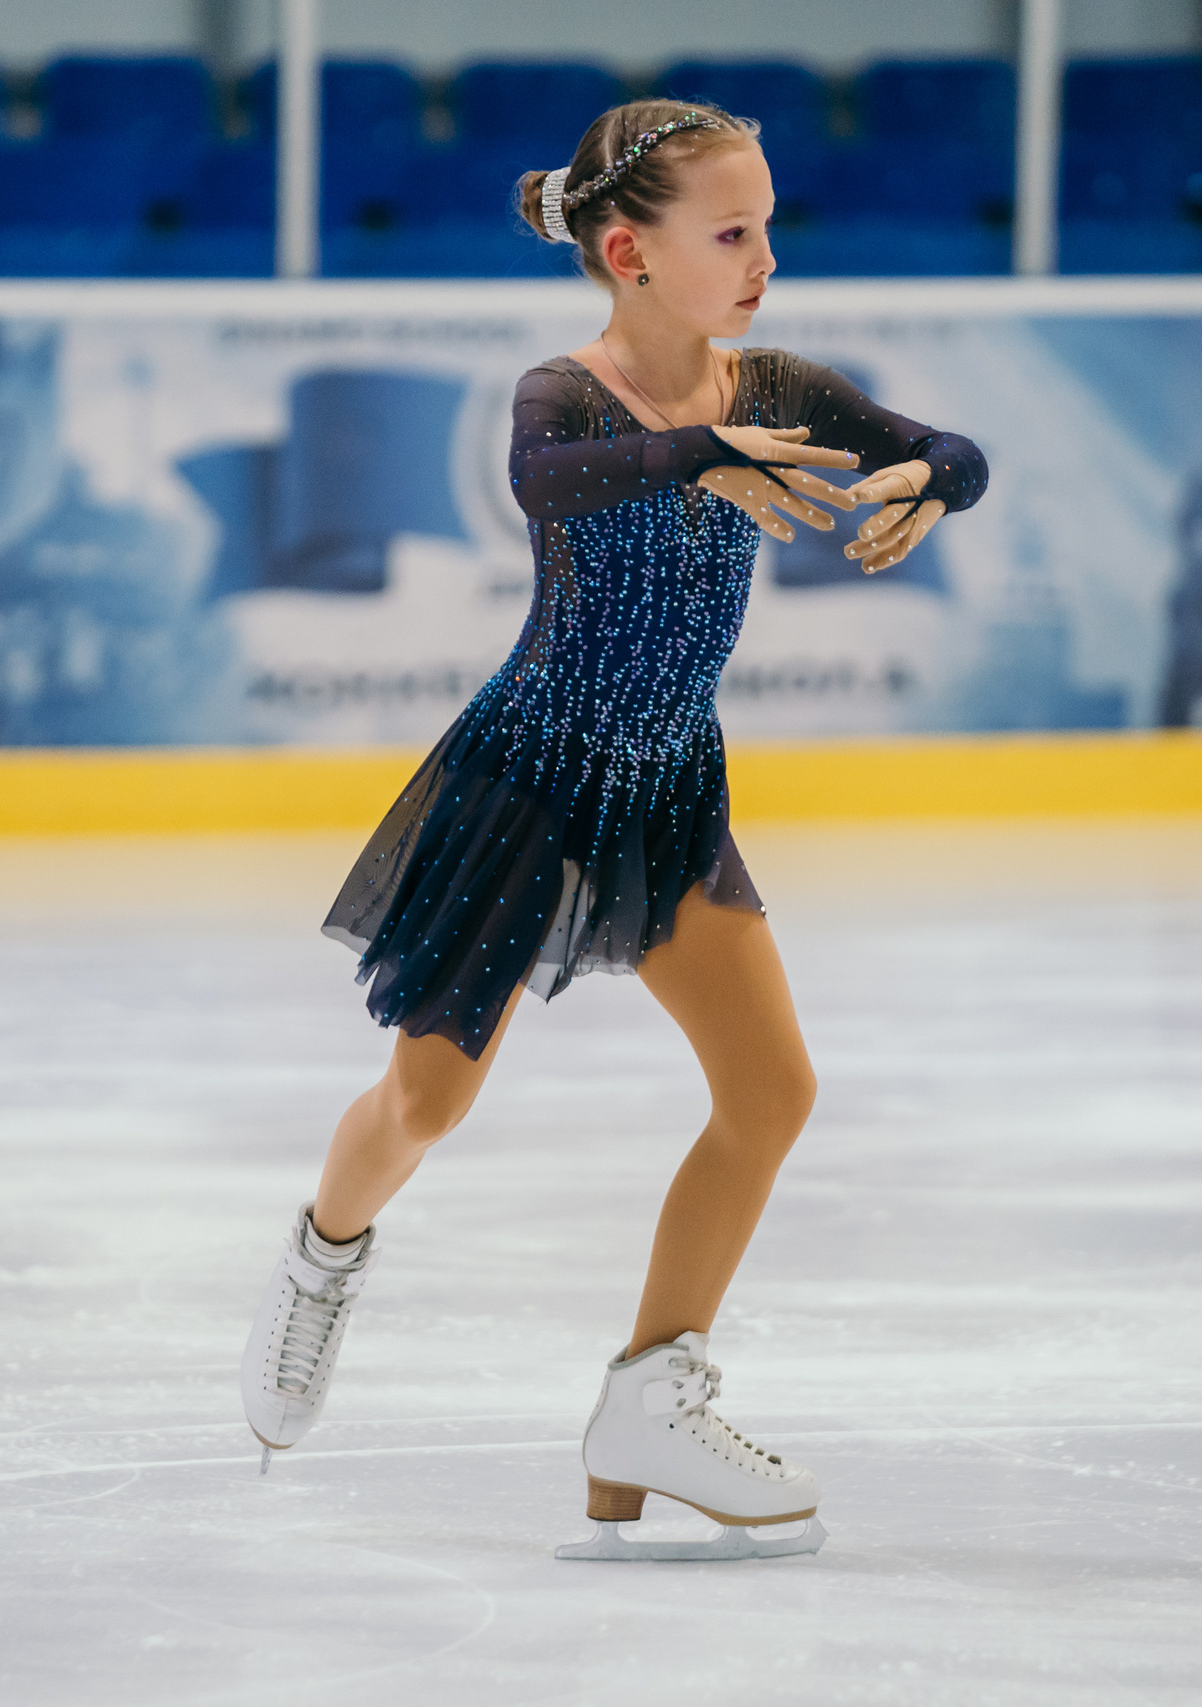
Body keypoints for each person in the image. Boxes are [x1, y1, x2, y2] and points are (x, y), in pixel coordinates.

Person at [239, 98, 989, 1559]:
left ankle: (650, 1396)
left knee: (772, 1091)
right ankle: (323, 1258)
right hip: (528, 786)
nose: (765, 258)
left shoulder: (776, 382)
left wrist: (931, 478)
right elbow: (542, 481)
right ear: (632, 253)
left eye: (769, 228)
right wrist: (694, 456)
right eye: (733, 232)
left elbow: (946, 444)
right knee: (425, 1108)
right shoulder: (566, 395)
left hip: (666, 789)